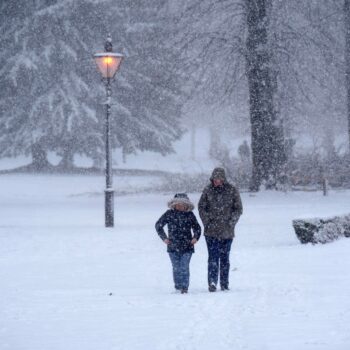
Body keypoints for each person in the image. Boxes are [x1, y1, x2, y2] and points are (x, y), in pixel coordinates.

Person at [198, 167, 243, 292]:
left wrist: (231, 223)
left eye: (219, 179)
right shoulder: (207, 190)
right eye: (215, 179)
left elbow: (238, 209)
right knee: (212, 258)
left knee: (224, 259)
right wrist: (207, 222)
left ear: (223, 179)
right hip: (210, 232)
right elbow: (201, 207)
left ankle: (224, 283)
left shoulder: (232, 190)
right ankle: (212, 283)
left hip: (227, 232)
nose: (217, 181)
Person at [155, 193, 201, 294]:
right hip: (172, 246)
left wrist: (195, 238)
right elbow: (158, 225)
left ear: (186, 205)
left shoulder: (190, 215)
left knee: (184, 266)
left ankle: (185, 287)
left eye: (182, 204)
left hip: (187, 246)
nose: (180, 206)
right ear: (174, 204)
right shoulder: (169, 214)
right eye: (178, 204)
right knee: (176, 268)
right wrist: (164, 238)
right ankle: (178, 286)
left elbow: (197, 228)